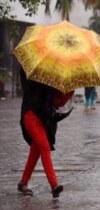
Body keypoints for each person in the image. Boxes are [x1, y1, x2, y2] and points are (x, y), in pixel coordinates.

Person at [18, 68, 75, 199]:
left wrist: (69, 88)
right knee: (44, 146)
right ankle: (54, 185)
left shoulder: (56, 77)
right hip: (30, 114)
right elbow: (27, 86)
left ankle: (23, 183)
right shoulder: (32, 72)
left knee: (36, 151)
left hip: (46, 120)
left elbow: (58, 103)